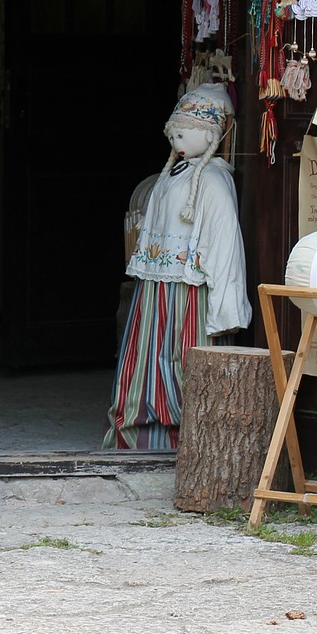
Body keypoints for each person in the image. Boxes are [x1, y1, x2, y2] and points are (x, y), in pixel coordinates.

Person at [103, 82, 251, 450]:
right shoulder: (170, 177)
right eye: (175, 132)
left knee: (184, 358)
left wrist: (226, 309)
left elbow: (225, 244)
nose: (178, 139)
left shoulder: (215, 181)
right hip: (156, 290)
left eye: (186, 132)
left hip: (192, 294)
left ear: (211, 134)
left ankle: (194, 439)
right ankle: (144, 432)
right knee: (148, 358)